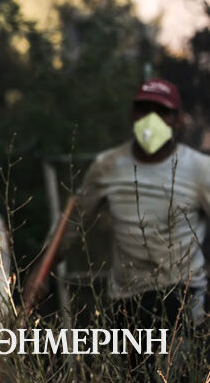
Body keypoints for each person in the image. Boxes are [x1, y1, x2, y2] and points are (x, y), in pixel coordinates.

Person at [69, 78, 210, 380]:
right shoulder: (108, 165)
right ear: (132, 115)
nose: (151, 120)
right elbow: (72, 221)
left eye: (161, 112)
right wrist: (43, 267)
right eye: (143, 109)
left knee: (175, 375)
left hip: (182, 294)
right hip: (128, 297)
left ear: (177, 120)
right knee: (134, 375)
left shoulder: (198, 169)